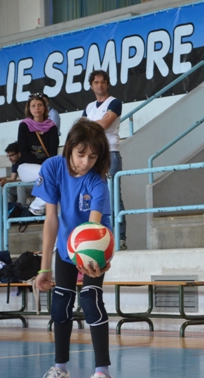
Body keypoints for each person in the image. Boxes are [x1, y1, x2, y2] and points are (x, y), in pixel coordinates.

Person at [33, 118, 117, 378]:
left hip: (94, 244)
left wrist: (91, 261)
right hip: (65, 245)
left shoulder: (97, 181)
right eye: (81, 154)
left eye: (93, 156)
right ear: (69, 147)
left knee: (90, 299)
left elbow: (93, 227)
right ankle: (61, 372)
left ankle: (104, 376)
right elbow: (51, 219)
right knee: (60, 304)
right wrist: (44, 267)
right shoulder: (52, 168)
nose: (86, 162)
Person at [83, 70, 127, 250]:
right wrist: (93, 124)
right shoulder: (89, 107)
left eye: (103, 82)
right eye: (96, 82)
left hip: (110, 153)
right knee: (92, 196)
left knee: (113, 196)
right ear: (91, 86)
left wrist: (88, 125)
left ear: (107, 84)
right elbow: (82, 127)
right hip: (91, 155)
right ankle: (97, 237)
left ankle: (120, 238)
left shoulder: (114, 103)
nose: (100, 85)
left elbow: (104, 124)